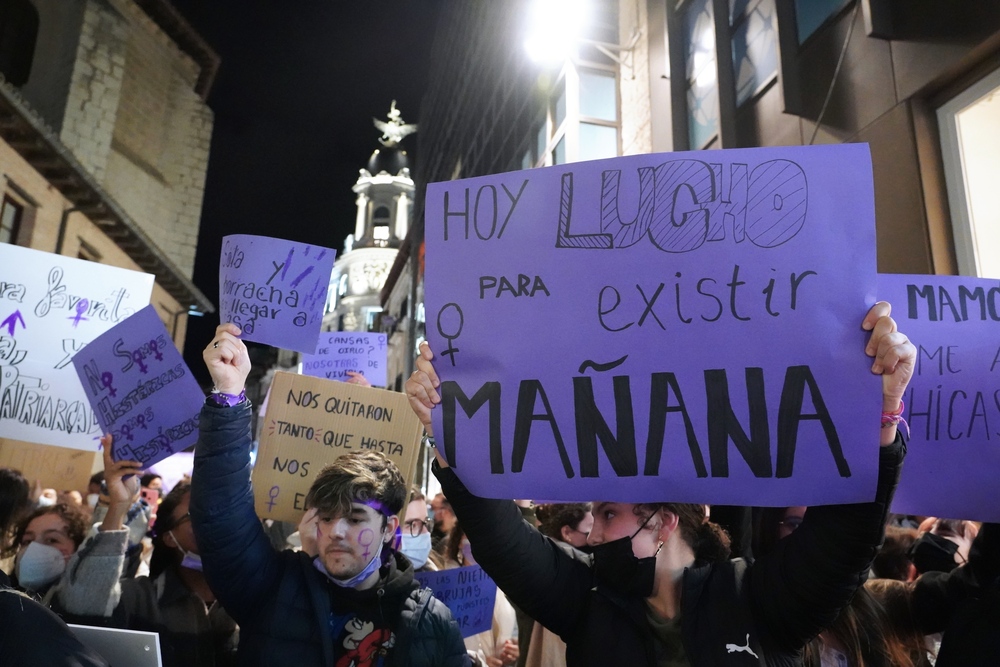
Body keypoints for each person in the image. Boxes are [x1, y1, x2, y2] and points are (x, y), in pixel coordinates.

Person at [406, 301, 915, 666]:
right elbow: (501, 539)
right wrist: (450, 430)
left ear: (666, 521)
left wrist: (881, 411)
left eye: (610, 513)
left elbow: (845, 539)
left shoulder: (757, 599)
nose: (597, 531)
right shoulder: (587, 602)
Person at [189, 323, 468, 666]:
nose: (335, 531)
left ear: (389, 527)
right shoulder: (271, 588)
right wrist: (229, 396)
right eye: (325, 516)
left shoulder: (432, 622)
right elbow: (221, 516)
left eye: (354, 518)